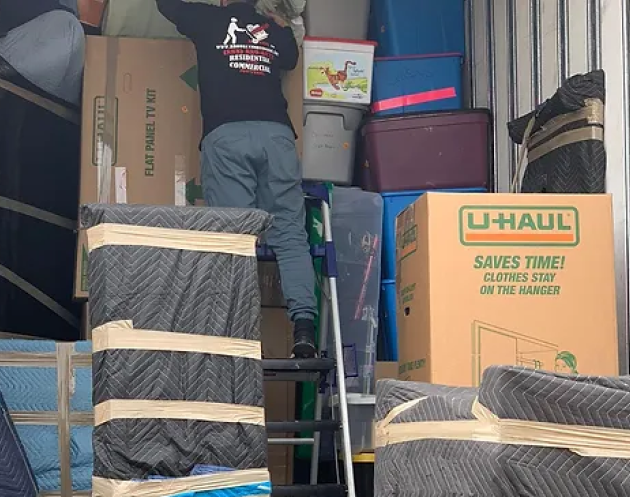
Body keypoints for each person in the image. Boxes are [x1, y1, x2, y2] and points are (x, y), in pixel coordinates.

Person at [156, 0, 317, 359]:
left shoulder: (207, 19)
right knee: (291, 236)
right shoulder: (272, 27)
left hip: (227, 137)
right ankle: (303, 330)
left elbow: (164, 4)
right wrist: (277, 21)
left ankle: (238, 336)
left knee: (235, 240)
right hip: (276, 137)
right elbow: (290, 58)